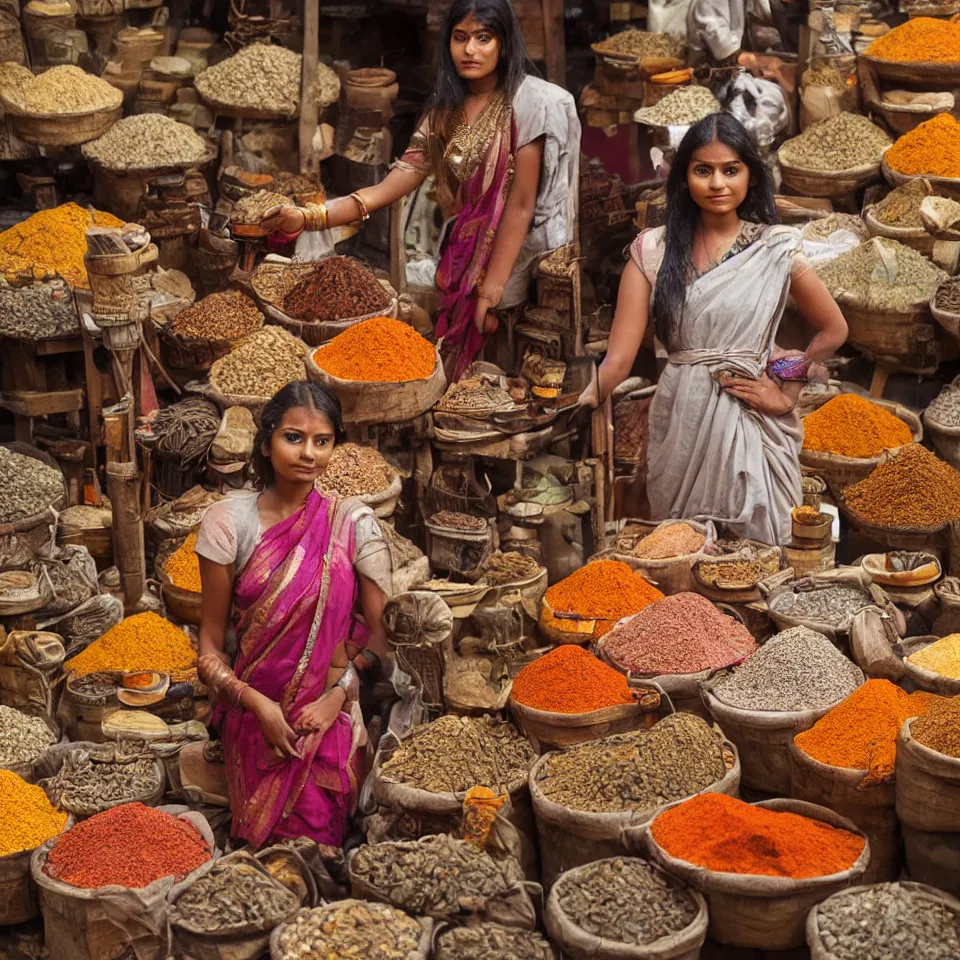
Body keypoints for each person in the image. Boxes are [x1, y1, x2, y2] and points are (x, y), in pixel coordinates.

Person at [261, 0, 580, 380]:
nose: (470, 50)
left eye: (483, 38)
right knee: (454, 380)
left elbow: (521, 206)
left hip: (513, 270)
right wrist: (309, 217)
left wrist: (490, 291)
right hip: (459, 263)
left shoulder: (531, 104)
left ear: (505, 43)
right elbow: (387, 187)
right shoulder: (444, 114)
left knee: (502, 378)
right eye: (460, 38)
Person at [580, 112, 847, 544]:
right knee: (681, 550)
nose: (718, 183)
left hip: (751, 419)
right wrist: (583, 397)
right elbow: (619, 359)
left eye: (731, 170)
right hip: (681, 420)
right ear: (684, 178)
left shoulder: (775, 248)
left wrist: (784, 390)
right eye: (703, 170)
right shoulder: (653, 250)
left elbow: (833, 330)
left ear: (752, 179)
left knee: (758, 556)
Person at [195, 381, 392, 849]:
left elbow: (383, 638)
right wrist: (255, 704)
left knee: (317, 847)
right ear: (266, 442)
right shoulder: (227, 524)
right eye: (293, 437)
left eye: (322, 442)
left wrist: (337, 698)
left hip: (327, 716)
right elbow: (209, 643)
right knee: (270, 857)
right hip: (253, 719)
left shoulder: (352, 523)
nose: (309, 453)